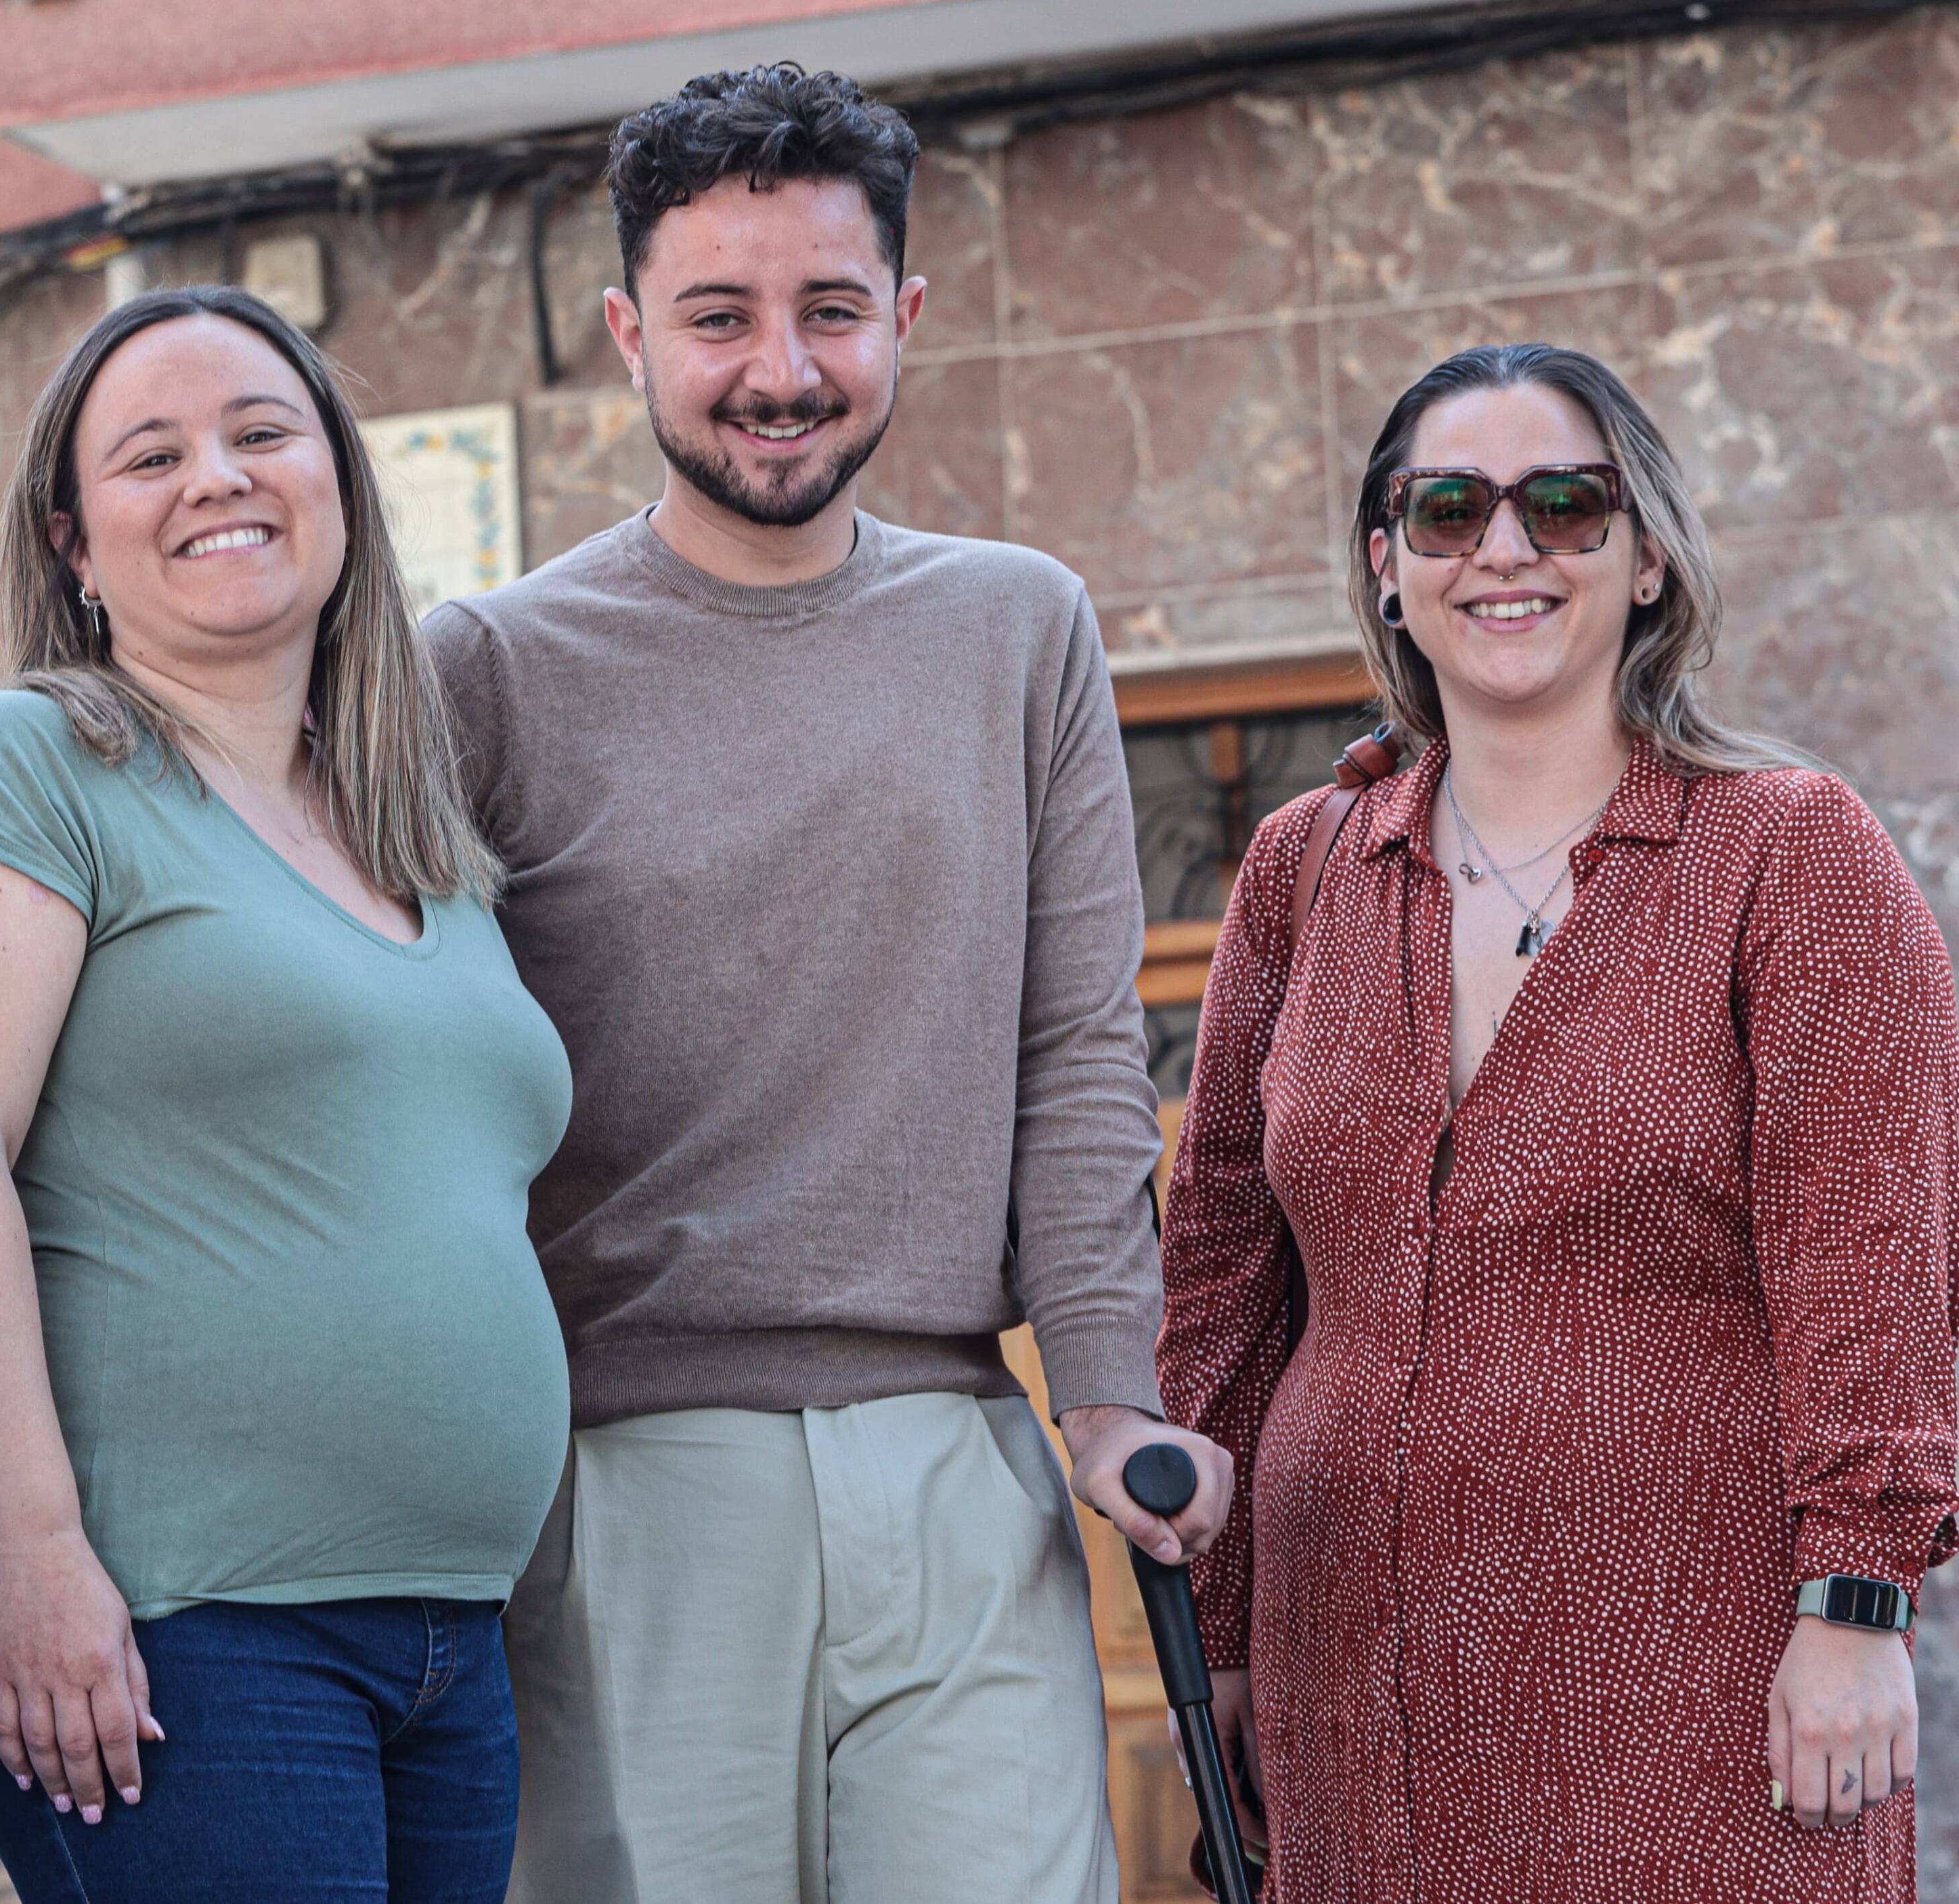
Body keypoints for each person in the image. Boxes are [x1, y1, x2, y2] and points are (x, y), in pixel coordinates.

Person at [423, 64, 1231, 1904]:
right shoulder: (483, 669)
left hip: (958, 1452)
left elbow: (1079, 1047)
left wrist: (1108, 1393)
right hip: (622, 1480)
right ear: (629, 332)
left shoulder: (1021, 626)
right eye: (718, 315)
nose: (778, 367)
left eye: (830, 310)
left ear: (906, 320)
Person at [1159, 341, 1959, 1901]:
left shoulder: (1787, 850)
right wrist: (1225, 1623)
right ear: (1387, 566)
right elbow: (1220, 1271)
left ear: (1645, 549)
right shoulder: (1299, 865)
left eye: (1565, 504)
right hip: (1350, 1678)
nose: (1504, 548)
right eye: (1447, 508)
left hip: (1697, 1668)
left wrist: (1856, 1602)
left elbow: (1870, 1245)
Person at [0, 284, 571, 1904]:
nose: (218, 478)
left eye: (260, 434)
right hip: (181, 1619)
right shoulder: (24, 765)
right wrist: (33, 1552)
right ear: (73, 544)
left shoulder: (412, 827)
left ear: (337, 486)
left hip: (448, 1629)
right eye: (150, 455)